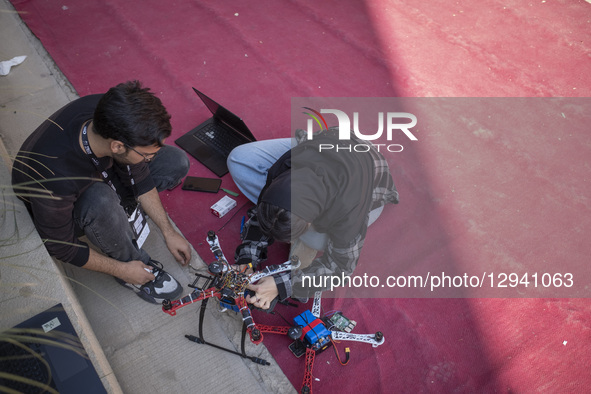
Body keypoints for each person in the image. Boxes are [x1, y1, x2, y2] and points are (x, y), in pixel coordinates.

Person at [12, 80, 191, 303]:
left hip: (101, 169)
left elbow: (141, 174)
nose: (150, 158)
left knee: (174, 161)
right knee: (101, 200)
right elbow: (60, 246)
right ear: (117, 146)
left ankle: (121, 216)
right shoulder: (55, 177)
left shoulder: (109, 113)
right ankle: (132, 265)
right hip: (58, 206)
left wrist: (168, 231)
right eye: (147, 155)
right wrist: (121, 270)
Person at [227, 127, 399, 310]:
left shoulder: (349, 206)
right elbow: (268, 207)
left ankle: (301, 228)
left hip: (368, 170)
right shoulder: (283, 170)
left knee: (315, 240)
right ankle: (291, 220)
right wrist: (247, 259)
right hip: (326, 144)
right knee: (239, 159)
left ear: (310, 220)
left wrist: (282, 284)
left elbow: (341, 268)